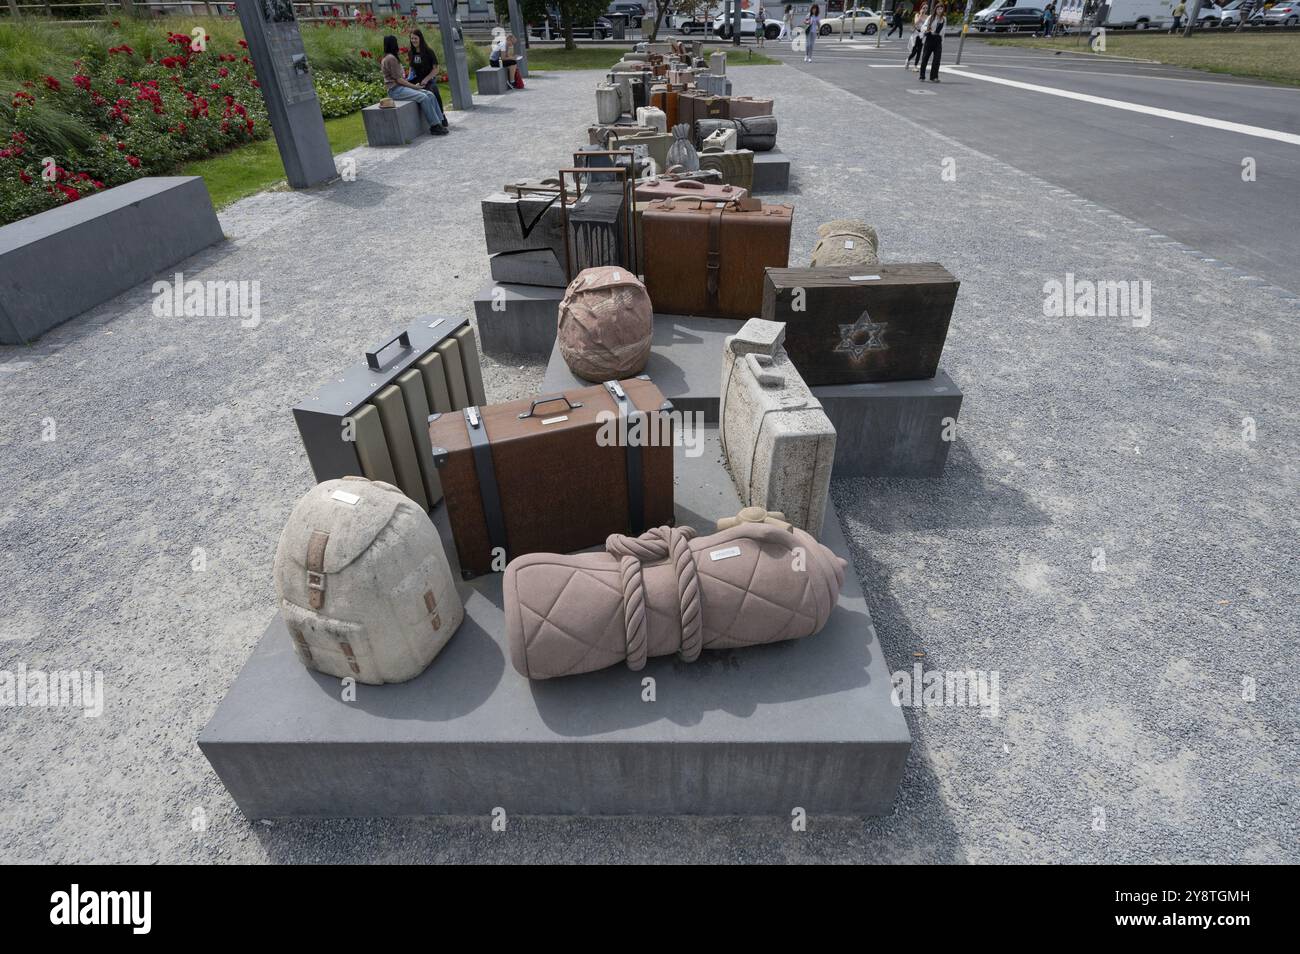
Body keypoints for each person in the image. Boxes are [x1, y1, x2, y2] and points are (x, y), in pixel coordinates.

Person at [380, 34, 447, 134]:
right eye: (396, 43)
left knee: (430, 94)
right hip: (396, 90)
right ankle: (434, 126)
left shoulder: (391, 58)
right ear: (393, 44)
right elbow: (398, 80)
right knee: (423, 97)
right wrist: (414, 87)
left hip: (401, 88)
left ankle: (439, 121)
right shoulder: (390, 59)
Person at [407, 29, 445, 118]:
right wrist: (409, 79)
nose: (413, 40)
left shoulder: (429, 52)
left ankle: (441, 116)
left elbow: (436, 69)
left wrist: (426, 79)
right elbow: (411, 67)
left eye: (415, 38)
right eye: (412, 38)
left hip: (428, 79)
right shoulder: (411, 52)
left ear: (420, 38)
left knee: (434, 91)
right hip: (416, 79)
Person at [918, 2, 944, 83]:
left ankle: (934, 77)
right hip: (930, 38)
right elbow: (923, 26)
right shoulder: (931, 17)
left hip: (938, 39)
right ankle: (922, 76)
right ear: (935, 9)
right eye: (938, 9)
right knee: (925, 57)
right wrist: (927, 30)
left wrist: (942, 41)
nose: (940, 10)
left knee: (937, 59)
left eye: (941, 9)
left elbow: (943, 31)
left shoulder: (944, 19)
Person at [905, 1, 928, 70]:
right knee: (914, 51)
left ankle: (915, 66)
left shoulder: (927, 17)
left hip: (922, 35)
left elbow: (927, 25)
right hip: (916, 34)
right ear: (921, 8)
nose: (925, 9)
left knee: (919, 51)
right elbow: (916, 23)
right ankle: (908, 60)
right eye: (924, 8)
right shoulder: (917, 15)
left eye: (926, 8)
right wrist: (920, 15)